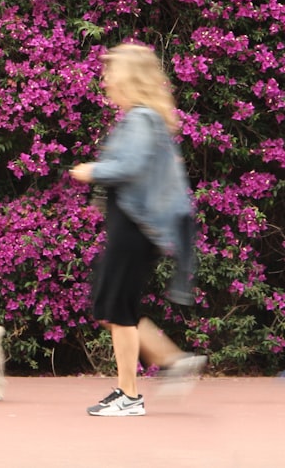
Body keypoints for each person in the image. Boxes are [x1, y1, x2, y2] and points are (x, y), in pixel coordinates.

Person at [70, 43, 207, 417]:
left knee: (117, 307)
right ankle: (172, 361)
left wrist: (92, 171)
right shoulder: (140, 118)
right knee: (111, 304)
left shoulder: (142, 119)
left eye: (109, 72)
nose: (104, 80)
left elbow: (131, 166)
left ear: (128, 77)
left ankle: (130, 395)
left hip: (136, 229)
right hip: (130, 228)